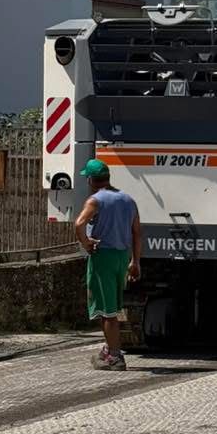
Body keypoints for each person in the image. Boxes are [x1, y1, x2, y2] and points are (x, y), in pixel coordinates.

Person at [74, 158, 141, 371]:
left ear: (92, 180)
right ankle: (110, 347)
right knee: (113, 305)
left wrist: (86, 243)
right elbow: (137, 232)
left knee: (106, 310)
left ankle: (114, 356)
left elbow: (79, 223)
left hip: (103, 256)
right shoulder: (128, 200)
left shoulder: (95, 201)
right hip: (122, 256)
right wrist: (135, 261)